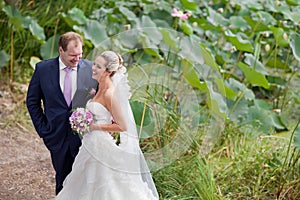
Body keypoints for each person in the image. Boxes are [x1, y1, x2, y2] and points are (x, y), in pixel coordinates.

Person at [55, 51, 159, 200]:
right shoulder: (98, 88)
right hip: (90, 142)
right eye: (94, 64)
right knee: (84, 179)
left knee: (104, 182)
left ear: (108, 72)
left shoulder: (110, 94)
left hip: (100, 144)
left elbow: (122, 126)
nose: (93, 68)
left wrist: (95, 127)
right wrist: (83, 119)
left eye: (98, 66)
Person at [26, 31, 98, 195]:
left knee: (85, 180)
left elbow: (101, 99)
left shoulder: (91, 69)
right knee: (63, 180)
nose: (77, 59)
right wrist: (43, 129)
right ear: (61, 50)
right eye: (72, 55)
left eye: (80, 54)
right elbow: (32, 101)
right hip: (56, 134)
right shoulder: (43, 69)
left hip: (84, 136)